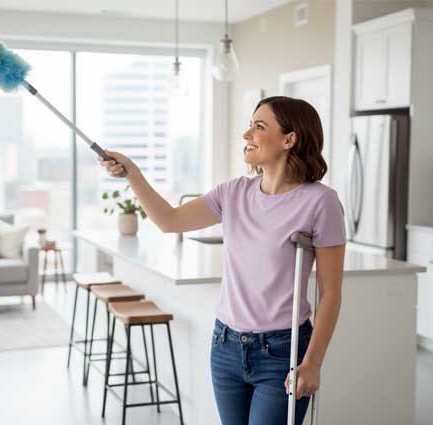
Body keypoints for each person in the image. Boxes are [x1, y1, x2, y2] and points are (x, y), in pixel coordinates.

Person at [98, 95, 345, 425]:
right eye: (250, 125)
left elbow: (331, 294)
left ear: (289, 139)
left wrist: (313, 362)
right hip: (226, 345)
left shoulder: (321, 202)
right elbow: (169, 220)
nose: (247, 135)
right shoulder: (233, 193)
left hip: (282, 353)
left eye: (259, 127)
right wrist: (133, 174)